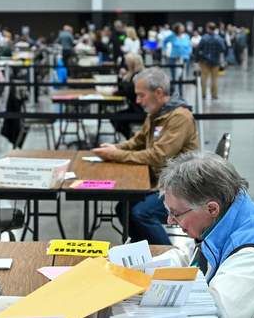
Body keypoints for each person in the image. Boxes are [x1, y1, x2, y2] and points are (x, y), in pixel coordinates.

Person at [158, 151, 254, 318]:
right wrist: (143, 272)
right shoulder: (226, 217)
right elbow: (193, 259)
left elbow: (215, 314)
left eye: (176, 213)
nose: (170, 220)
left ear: (212, 208)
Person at [91, 67, 198, 245]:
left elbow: (158, 156)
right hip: (160, 182)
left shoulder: (180, 117)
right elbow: (138, 141)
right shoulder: (156, 113)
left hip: (182, 186)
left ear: (158, 92)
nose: (138, 101)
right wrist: (115, 147)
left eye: (141, 95)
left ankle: (170, 259)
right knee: (123, 208)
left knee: (142, 213)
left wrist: (117, 154)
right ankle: (143, 254)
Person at [112, 52, 145, 139]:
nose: (125, 65)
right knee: (114, 117)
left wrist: (114, 93)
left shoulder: (138, 76)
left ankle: (131, 139)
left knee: (115, 118)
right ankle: (131, 139)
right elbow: (123, 89)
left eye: (127, 63)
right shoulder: (132, 74)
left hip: (141, 111)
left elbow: (128, 91)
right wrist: (120, 77)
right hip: (135, 108)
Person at [197, 22, 226, 100]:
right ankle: (214, 95)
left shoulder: (204, 38)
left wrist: (197, 59)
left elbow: (199, 49)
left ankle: (203, 95)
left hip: (204, 61)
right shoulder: (219, 38)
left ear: (208, 28)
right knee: (214, 79)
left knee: (204, 78)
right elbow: (223, 49)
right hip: (216, 61)